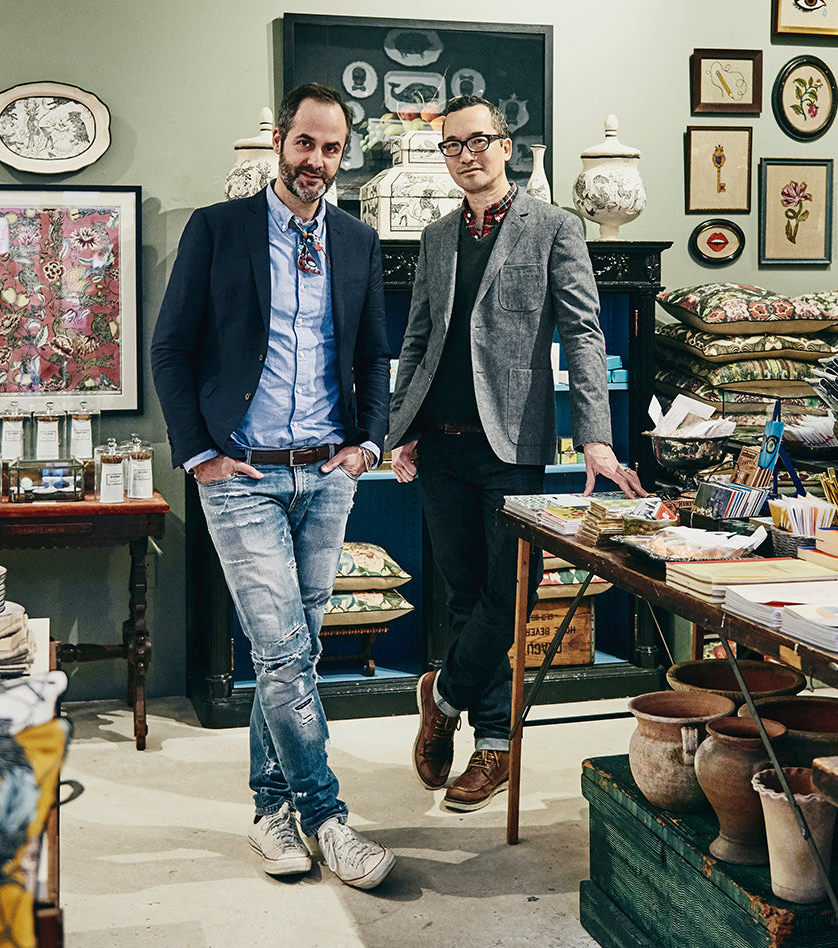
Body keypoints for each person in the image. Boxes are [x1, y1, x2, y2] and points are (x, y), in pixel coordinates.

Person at [149, 82, 395, 890]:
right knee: (287, 652)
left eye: (330, 148)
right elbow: (172, 349)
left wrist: (366, 444)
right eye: (304, 144)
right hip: (242, 476)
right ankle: (328, 817)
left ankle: (270, 810)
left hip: (327, 474)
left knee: (293, 651)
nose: (316, 160)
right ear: (279, 143)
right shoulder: (218, 230)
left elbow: (371, 357)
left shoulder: (357, 241)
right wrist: (200, 456)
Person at [386, 95, 646, 813]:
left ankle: (440, 695)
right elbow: (417, 341)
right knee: (467, 599)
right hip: (437, 447)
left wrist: (595, 433)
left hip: (512, 447)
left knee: (511, 598)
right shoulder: (437, 237)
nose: (466, 155)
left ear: (506, 147)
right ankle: (495, 746)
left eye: (478, 142)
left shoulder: (554, 227)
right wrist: (398, 425)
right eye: (452, 146)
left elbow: (585, 333)